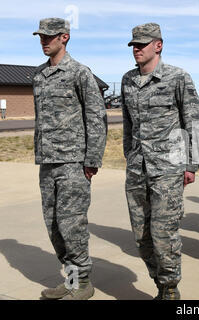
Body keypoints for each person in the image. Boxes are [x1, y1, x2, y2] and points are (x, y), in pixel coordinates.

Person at [122, 23, 199, 299]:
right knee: (141, 236)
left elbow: (194, 123)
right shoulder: (128, 80)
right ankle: (159, 284)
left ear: (158, 45)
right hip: (136, 169)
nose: (136, 49)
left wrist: (192, 165)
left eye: (141, 44)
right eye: (133, 44)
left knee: (163, 234)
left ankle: (170, 290)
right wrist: (129, 155)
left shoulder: (177, 77)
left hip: (167, 169)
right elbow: (127, 124)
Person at [32, 18, 107, 300]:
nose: (44, 41)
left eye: (49, 36)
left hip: (73, 163)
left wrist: (92, 159)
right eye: (41, 36)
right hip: (47, 162)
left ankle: (84, 283)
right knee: (53, 225)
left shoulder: (79, 73)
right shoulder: (39, 75)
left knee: (71, 224)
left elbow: (96, 117)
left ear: (64, 37)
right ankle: (72, 279)